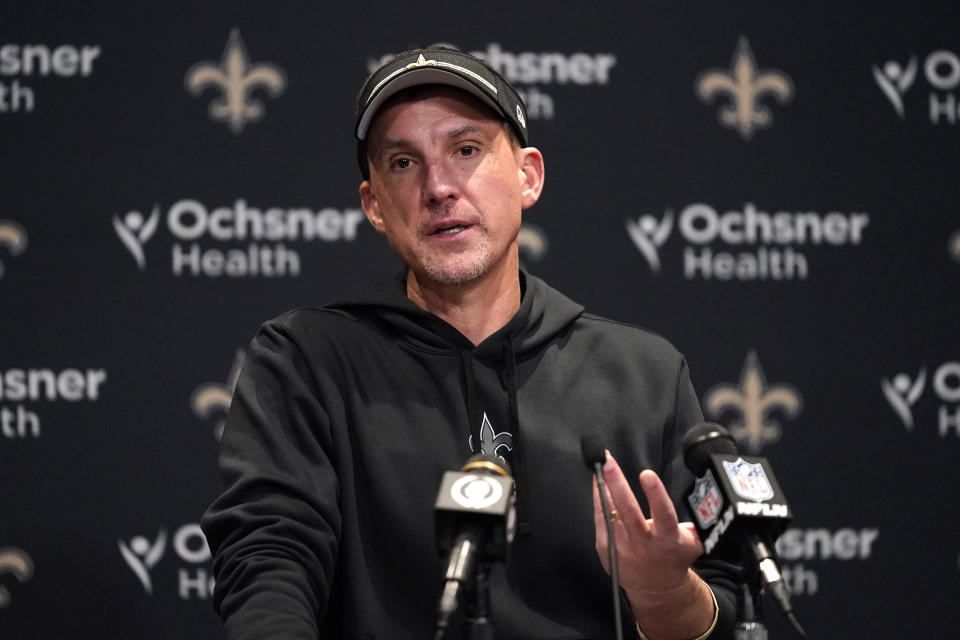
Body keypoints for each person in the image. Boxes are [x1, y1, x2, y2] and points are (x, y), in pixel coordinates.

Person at [201, 46, 737, 639]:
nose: (438, 187)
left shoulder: (645, 375)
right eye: (403, 162)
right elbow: (270, 562)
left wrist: (664, 594)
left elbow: (724, 605)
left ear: (528, 174)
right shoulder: (305, 358)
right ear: (374, 205)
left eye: (466, 150)